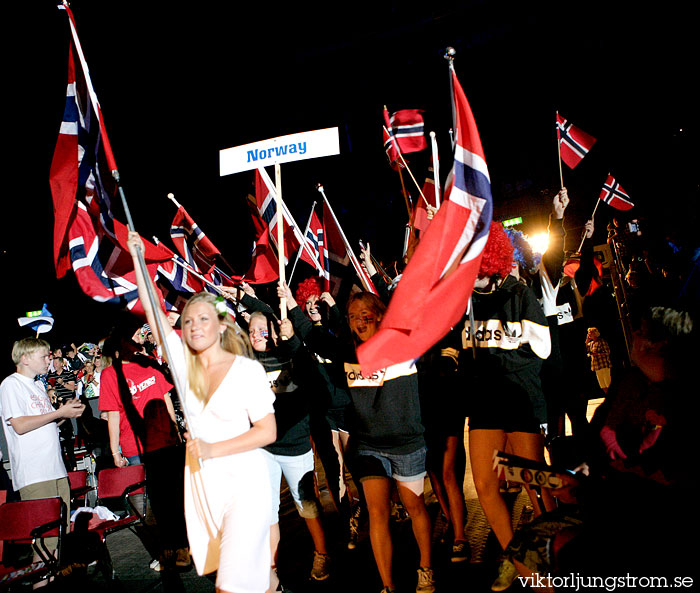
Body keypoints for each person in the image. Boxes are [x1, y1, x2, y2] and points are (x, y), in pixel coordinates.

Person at [127, 231, 277, 593]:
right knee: (247, 577)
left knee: (229, 584)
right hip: (203, 487)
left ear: (222, 325)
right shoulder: (184, 366)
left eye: (203, 319)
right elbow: (156, 316)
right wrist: (138, 260)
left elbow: (266, 431)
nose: (193, 327)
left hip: (245, 482)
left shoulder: (246, 370)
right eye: (188, 321)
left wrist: (212, 449)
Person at [448, 222, 555, 591]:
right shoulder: (465, 303)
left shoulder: (521, 295)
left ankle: (550, 557)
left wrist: (494, 360)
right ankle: (522, 564)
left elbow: (542, 350)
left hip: (521, 401)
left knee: (536, 488)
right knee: (485, 486)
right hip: (484, 404)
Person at [330, 290, 435, 593]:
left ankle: (425, 567)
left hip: (407, 445)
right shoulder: (349, 355)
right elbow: (315, 342)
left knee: (414, 507)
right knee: (377, 512)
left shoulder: (404, 346)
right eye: (352, 316)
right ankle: (387, 585)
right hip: (369, 446)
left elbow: (416, 310)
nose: (359, 321)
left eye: (365, 313)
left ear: (378, 314)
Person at [246, 310, 331, 585]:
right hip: (264, 449)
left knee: (306, 504)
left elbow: (316, 382)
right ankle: (271, 568)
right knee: (268, 510)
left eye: (260, 329)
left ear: (272, 329)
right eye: (250, 331)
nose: (254, 335)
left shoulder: (291, 355)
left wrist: (292, 340)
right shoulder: (247, 364)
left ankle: (322, 552)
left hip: (295, 446)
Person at [98, 323, 190, 572]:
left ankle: (181, 546)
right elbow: (113, 414)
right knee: (149, 505)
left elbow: (166, 397)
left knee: (172, 496)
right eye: (134, 334)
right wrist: (115, 450)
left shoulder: (149, 362)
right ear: (121, 343)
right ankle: (165, 547)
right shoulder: (110, 374)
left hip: (165, 441)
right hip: (135, 445)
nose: (139, 337)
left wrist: (175, 430)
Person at [0, 337, 85, 573]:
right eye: (44, 356)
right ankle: (41, 584)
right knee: (45, 539)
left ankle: (53, 582)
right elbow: (19, 425)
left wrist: (66, 414)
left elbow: (45, 425)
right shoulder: (11, 384)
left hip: (55, 469)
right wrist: (59, 412)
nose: (49, 359)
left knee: (59, 536)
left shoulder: (38, 385)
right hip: (35, 473)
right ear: (25, 358)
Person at [585, 327, 612, 394]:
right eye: (588, 333)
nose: (589, 334)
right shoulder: (591, 343)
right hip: (596, 365)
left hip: (603, 364)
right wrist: (587, 341)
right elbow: (586, 349)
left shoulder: (601, 341)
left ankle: (612, 397)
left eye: (590, 333)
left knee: (607, 382)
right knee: (602, 384)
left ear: (595, 333)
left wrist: (597, 354)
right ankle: (607, 397)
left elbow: (607, 352)